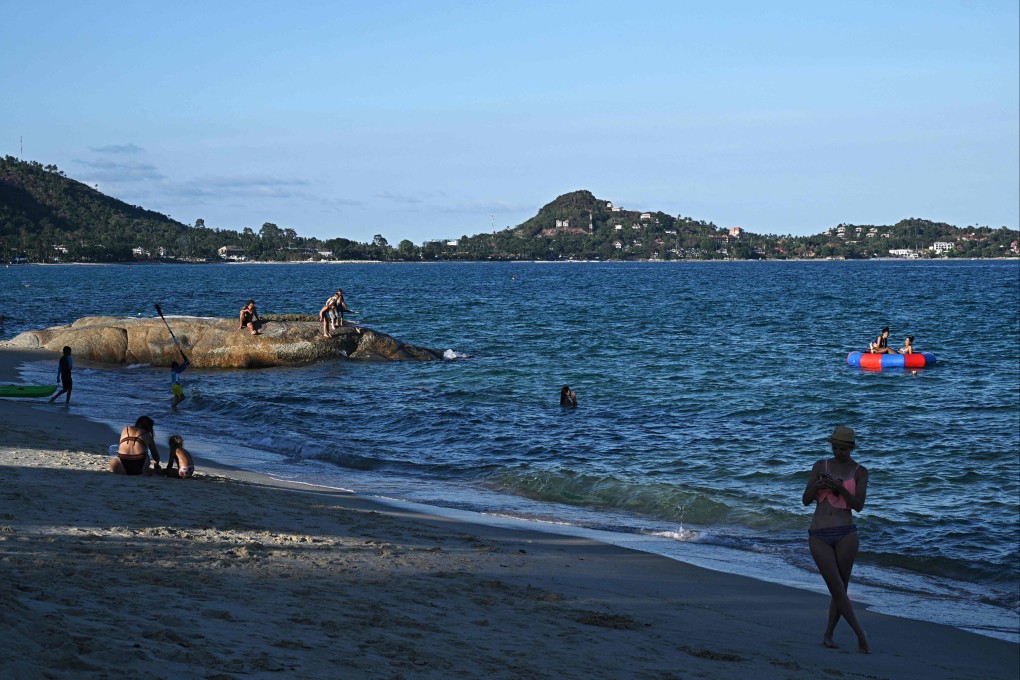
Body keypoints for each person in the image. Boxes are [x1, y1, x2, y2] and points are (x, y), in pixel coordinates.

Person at [802, 425, 871, 654]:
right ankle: (861, 634)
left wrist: (840, 489)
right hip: (819, 534)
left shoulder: (860, 471)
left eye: (842, 448)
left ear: (851, 448)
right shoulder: (821, 466)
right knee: (836, 588)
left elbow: (858, 505)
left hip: (846, 534)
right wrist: (818, 485)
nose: (837, 452)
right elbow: (805, 500)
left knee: (841, 588)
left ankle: (828, 635)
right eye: (834, 447)